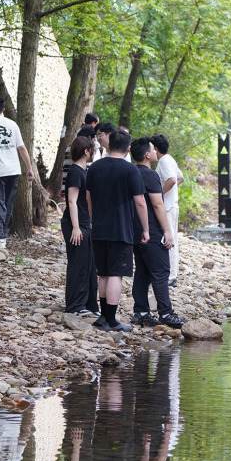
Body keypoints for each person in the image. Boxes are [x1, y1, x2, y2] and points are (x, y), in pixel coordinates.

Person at [86, 129, 149, 332]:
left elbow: (88, 198)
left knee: (103, 273)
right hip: (120, 229)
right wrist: (146, 229)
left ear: (109, 145)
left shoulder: (94, 168)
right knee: (115, 274)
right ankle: (112, 321)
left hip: (99, 227)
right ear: (129, 148)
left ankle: (103, 317)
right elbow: (140, 202)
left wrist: (93, 217)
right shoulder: (131, 170)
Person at [129, 137, 187, 328]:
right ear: (147, 155)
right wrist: (167, 231)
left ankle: (142, 312)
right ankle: (166, 313)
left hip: (135, 230)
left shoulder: (131, 172)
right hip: (152, 230)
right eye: (153, 149)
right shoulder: (150, 175)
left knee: (143, 272)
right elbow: (157, 204)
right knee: (161, 272)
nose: (156, 152)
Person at [0, 96, 34, 249]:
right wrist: (30, 168)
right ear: (4, 109)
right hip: (13, 169)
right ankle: (2, 235)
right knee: (8, 203)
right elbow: (22, 148)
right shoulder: (13, 124)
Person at [62, 136, 99, 318]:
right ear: (86, 151)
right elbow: (72, 200)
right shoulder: (76, 171)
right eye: (93, 149)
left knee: (89, 263)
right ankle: (75, 305)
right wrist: (76, 227)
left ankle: (88, 303)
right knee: (79, 264)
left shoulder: (83, 171)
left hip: (84, 223)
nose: (95, 152)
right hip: (75, 223)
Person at [152, 134, 183, 286]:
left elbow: (172, 179)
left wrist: (159, 194)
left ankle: (171, 276)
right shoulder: (169, 159)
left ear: (155, 148)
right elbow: (180, 178)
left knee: (169, 238)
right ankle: (173, 274)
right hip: (172, 204)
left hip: (168, 206)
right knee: (172, 238)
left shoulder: (164, 161)